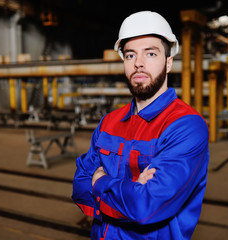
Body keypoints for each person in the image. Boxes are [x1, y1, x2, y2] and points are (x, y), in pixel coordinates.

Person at [72, 11, 209, 240]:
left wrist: (100, 180)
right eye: (130, 55)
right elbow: (79, 187)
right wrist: (133, 188)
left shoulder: (186, 126)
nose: (138, 64)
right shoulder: (109, 122)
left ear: (168, 63)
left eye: (151, 53)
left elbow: (146, 207)